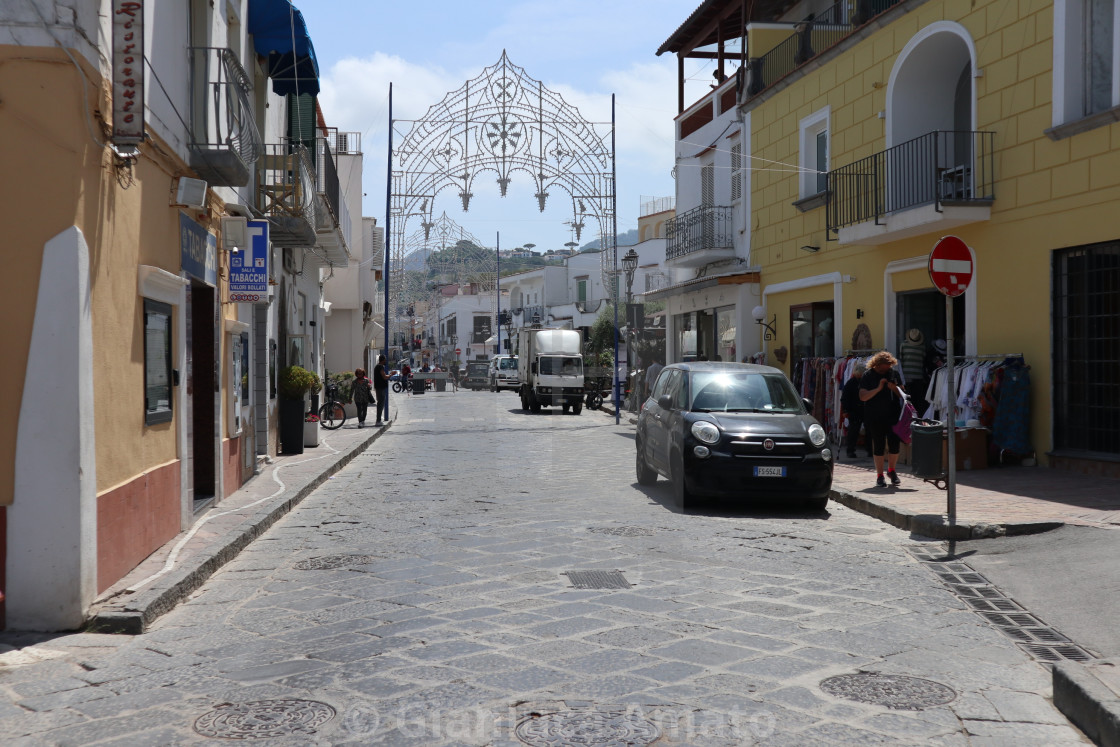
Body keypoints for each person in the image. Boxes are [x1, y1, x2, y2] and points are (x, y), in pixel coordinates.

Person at [860, 351, 906, 487]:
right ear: (878, 364)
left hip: (893, 414)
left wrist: (894, 388)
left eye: (890, 364)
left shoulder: (893, 374)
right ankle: (880, 475)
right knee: (878, 445)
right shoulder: (868, 375)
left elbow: (903, 396)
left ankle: (892, 470)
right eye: (886, 365)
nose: (888, 367)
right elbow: (863, 396)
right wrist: (879, 388)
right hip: (874, 415)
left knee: (894, 445)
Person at [840, 367, 869, 459]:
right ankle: (850, 450)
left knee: (869, 430)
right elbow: (844, 398)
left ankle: (870, 450)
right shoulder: (851, 383)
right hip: (854, 410)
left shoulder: (866, 382)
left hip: (865, 409)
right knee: (853, 431)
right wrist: (845, 410)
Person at [373, 355, 390, 425]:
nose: (386, 361)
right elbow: (384, 377)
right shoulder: (380, 367)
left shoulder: (377, 367)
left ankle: (379, 419)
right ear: (382, 360)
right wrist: (391, 374)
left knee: (380, 403)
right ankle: (378, 420)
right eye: (385, 360)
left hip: (378, 387)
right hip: (381, 387)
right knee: (381, 403)